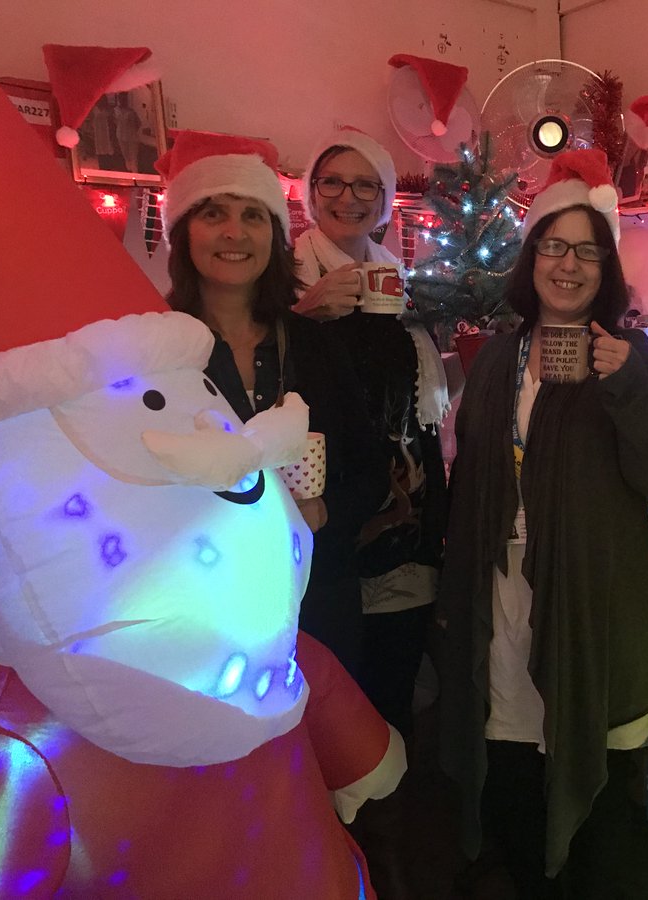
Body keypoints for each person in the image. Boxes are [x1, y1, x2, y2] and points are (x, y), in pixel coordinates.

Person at [437, 149, 648, 898]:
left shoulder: (628, 356)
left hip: (593, 607)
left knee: (597, 813)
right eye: (553, 245)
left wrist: (627, 383)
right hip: (504, 598)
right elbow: (472, 461)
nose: (568, 265)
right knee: (511, 770)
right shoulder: (496, 358)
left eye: (587, 251)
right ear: (531, 255)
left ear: (605, 268)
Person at [157, 130, 388, 681]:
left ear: (274, 236)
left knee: (325, 757)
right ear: (183, 232)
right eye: (213, 213)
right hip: (202, 604)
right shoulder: (155, 353)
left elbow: (371, 470)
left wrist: (325, 511)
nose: (234, 232)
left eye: (254, 216)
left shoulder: (314, 344)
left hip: (318, 598)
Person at [294, 128, 449, 741]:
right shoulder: (283, 276)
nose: (348, 197)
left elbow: (418, 404)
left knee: (390, 689)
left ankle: (389, 823)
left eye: (367, 184)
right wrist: (303, 314)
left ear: (384, 199)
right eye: (332, 180)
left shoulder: (390, 274)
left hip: (401, 516)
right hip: (324, 520)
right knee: (328, 692)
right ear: (311, 190)